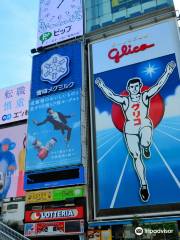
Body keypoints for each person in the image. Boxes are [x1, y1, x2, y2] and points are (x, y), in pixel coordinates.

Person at [95, 61, 176, 202]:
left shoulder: (145, 96)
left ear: (139, 87)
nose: (134, 88)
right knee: (136, 156)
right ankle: (143, 185)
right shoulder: (125, 101)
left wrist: (167, 72)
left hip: (144, 124)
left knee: (145, 141)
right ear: (128, 88)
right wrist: (102, 86)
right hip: (130, 129)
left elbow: (158, 86)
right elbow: (111, 95)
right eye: (131, 87)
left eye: (136, 86)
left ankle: (146, 147)